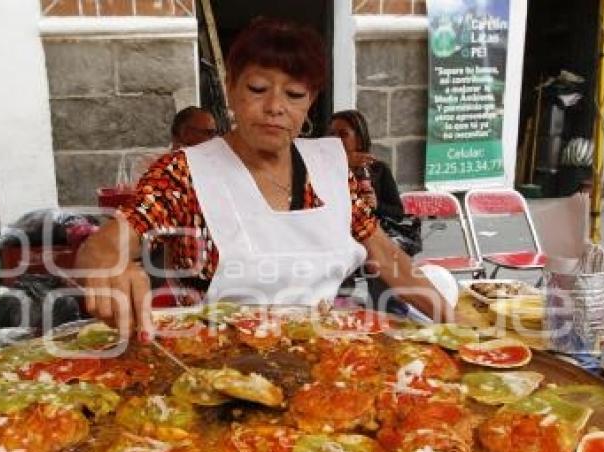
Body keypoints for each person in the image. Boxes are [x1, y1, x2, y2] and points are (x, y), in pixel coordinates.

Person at [77, 18, 453, 338]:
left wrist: (456, 321)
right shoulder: (182, 174)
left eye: (293, 94)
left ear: (310, 100)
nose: (274, 107)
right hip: (218, 369)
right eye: (257, 89)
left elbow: (386, 256)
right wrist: (112, 268)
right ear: (231, 87)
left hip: (325, 360)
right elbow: (102, 246)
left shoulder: (331, 169)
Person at [327, 109, 404, 224]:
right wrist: (342, 164)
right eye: (332, 134)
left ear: (359, 140)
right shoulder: (323, 168)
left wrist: (377, 205)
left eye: (343, 134)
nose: (335, 139)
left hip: (372, 236)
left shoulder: (378, 169)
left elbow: (398, 214)